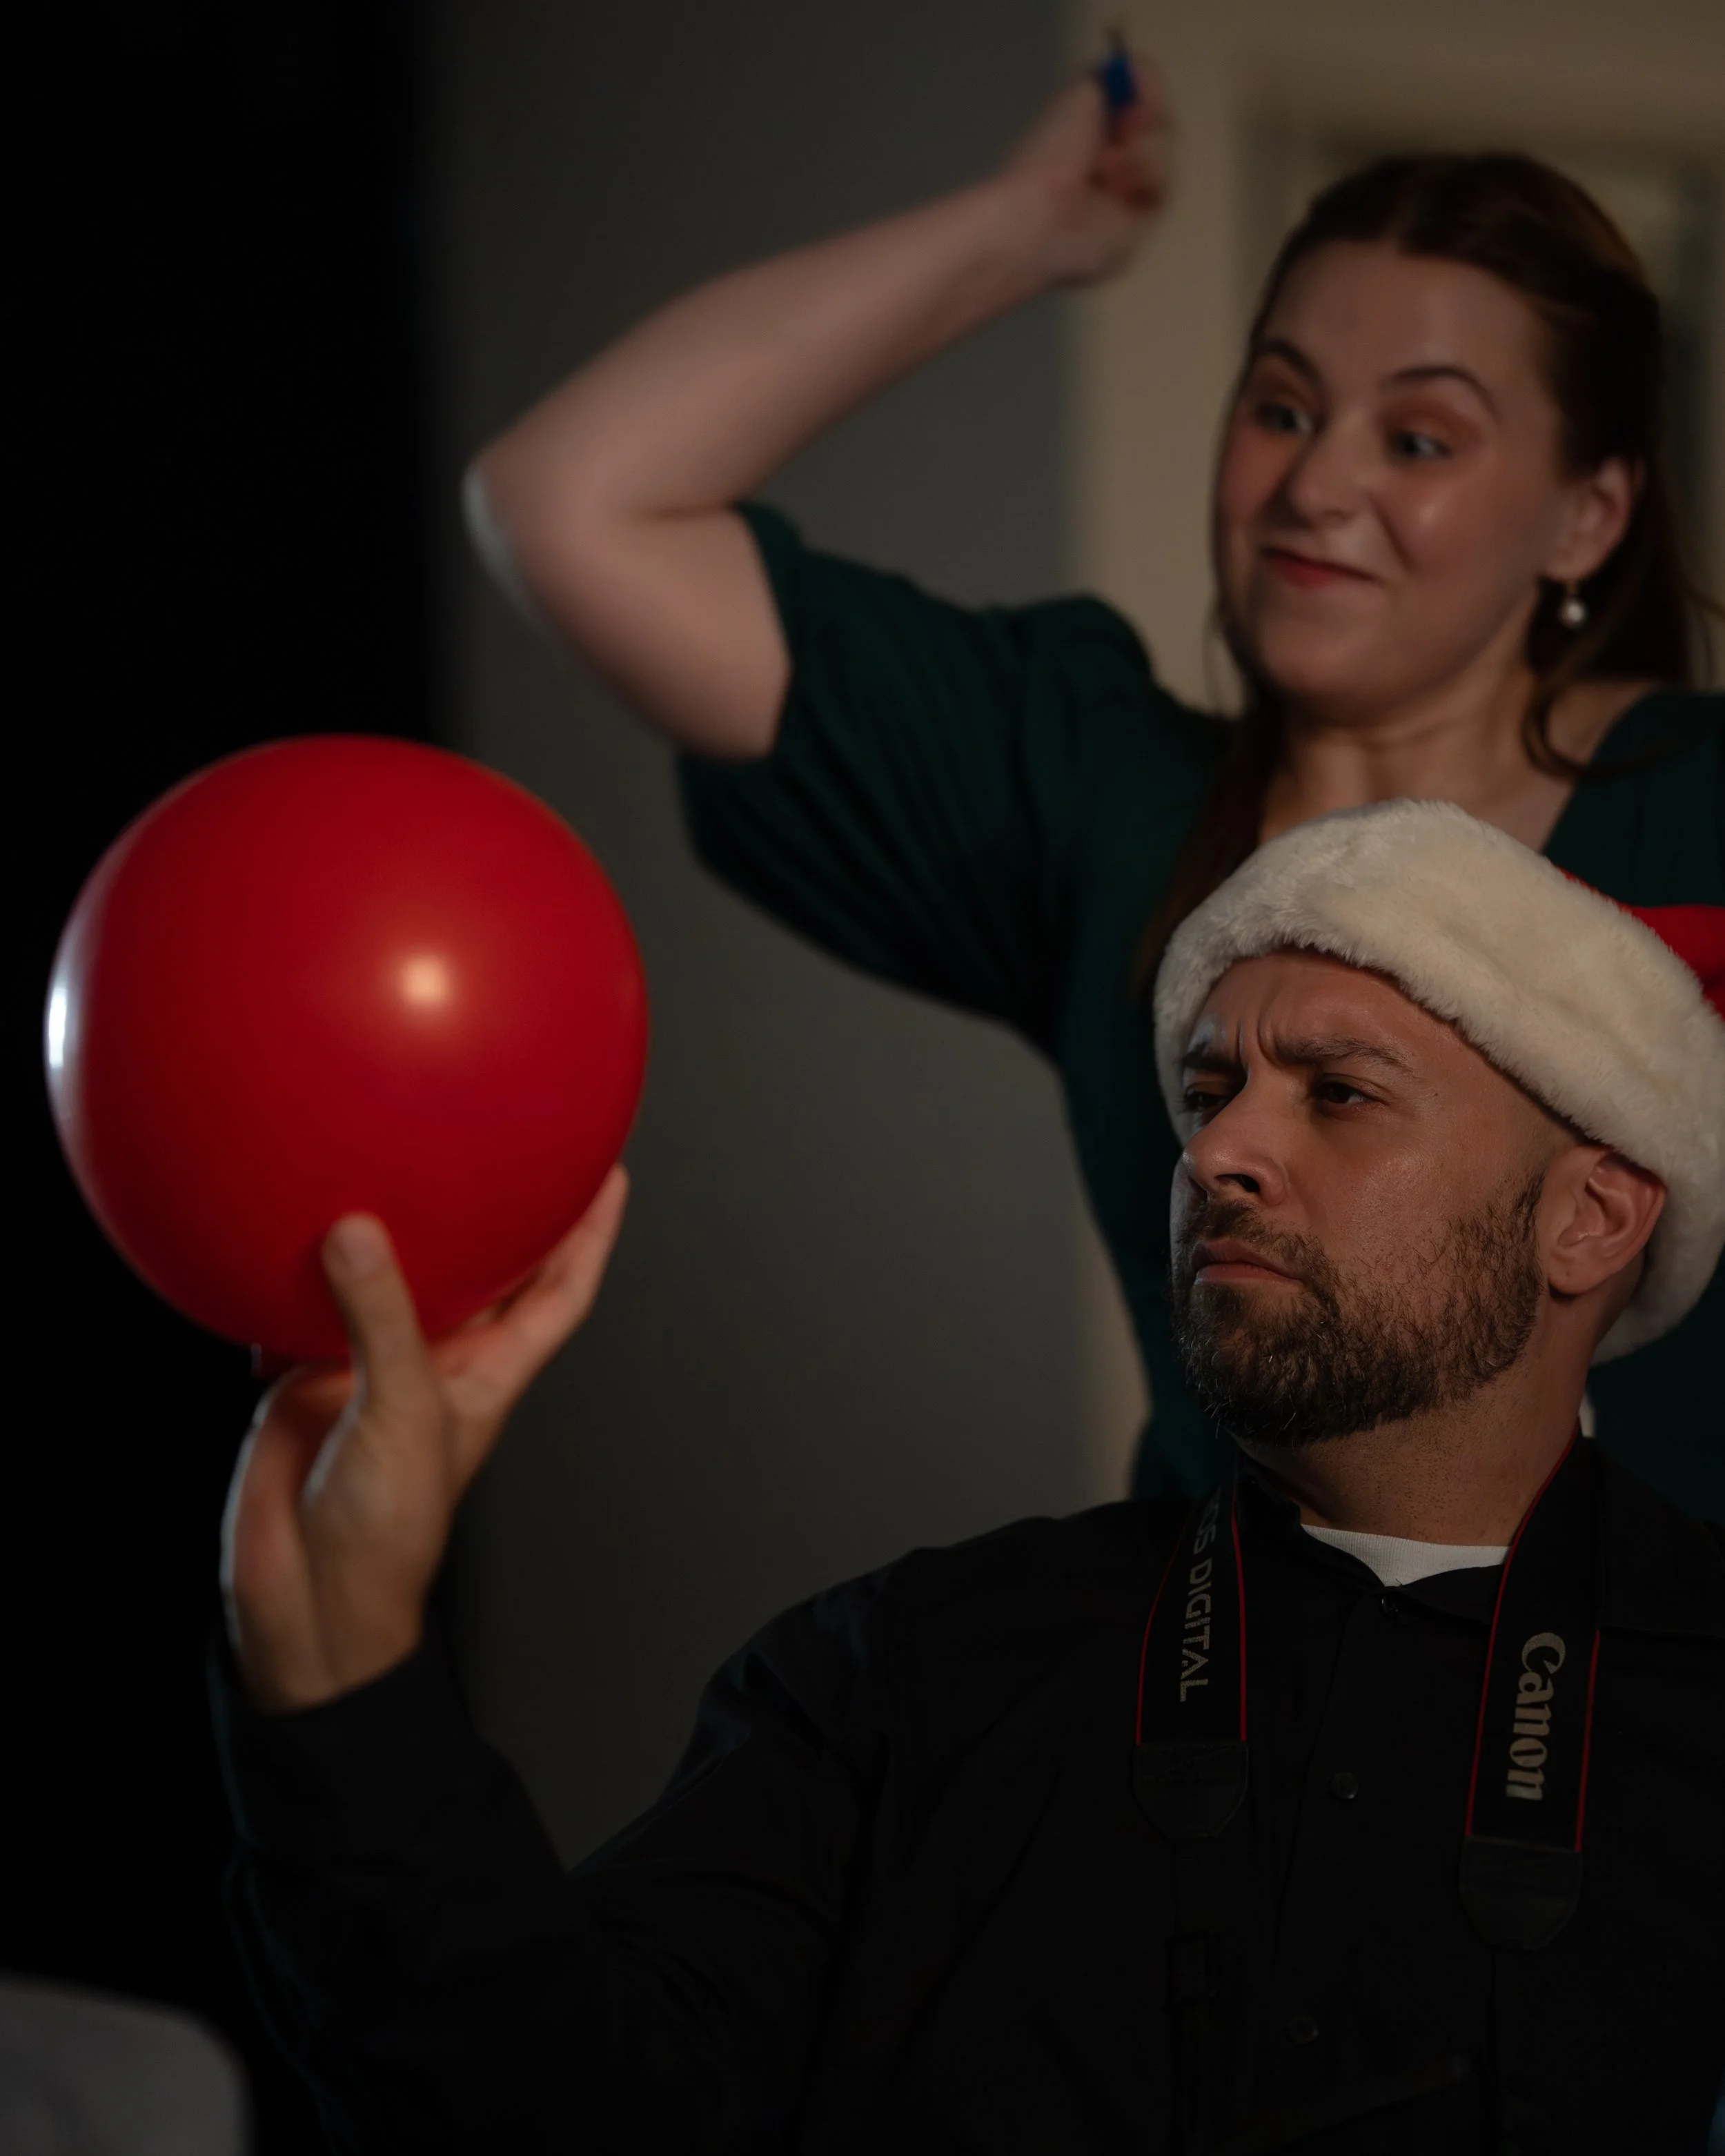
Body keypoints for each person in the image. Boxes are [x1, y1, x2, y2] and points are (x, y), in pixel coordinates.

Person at [213, 803, 1725, 2155]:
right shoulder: (907, 1674)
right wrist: (342, 1686)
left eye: (1335, 1091)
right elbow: (539, 2105)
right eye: (1208, 1091)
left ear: (1589, 1219)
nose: (1217, 1154)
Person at [466, 52, 1724, 1518]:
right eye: (1278, 407)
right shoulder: (1098, 788)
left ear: (1587, 513)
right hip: (1219, 1709)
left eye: (1418, 438)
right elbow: (566, 505)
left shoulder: (1700, 796)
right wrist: (1029, 228)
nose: (1315, 483)